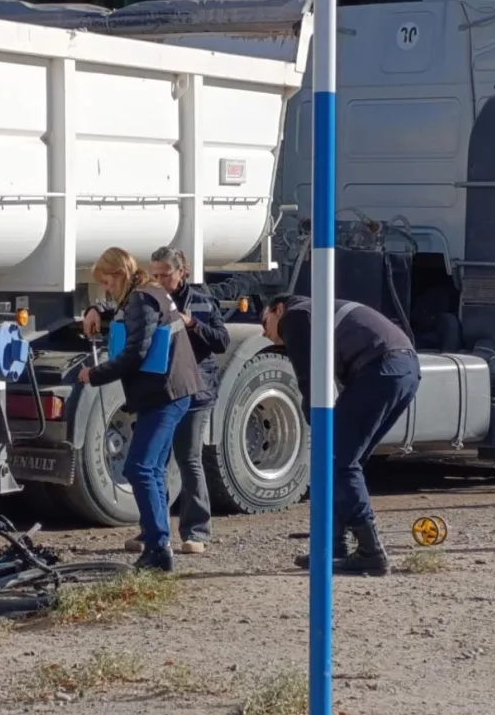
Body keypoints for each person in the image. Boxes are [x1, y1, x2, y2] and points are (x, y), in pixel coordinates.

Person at [261, 294, 420, 576]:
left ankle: (370, 551)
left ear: (279, 308)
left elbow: (308, 377)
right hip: (404, 369)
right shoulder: (321, 309)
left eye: (266, 322)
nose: (266, 332)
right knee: (345, 461)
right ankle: (333, 547)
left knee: (339, 460)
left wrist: (316, 418)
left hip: (379, 368)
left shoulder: (294, 316)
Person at [92, 246, 230, 556]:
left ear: (182, 273)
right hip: (160, 389)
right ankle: (153, 530)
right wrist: (95, 310)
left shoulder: (201, 301)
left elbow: (222, 341)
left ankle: (195, 530)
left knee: (188, 458)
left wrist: (192, 323)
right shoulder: (148, 295)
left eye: (165, 275)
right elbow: (123, 307)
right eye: (154, 274)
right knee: (155, 462)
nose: (159, 280)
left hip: (194, 390)